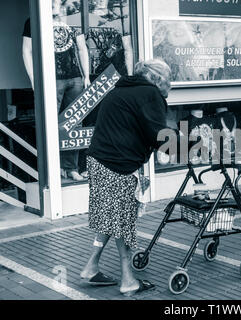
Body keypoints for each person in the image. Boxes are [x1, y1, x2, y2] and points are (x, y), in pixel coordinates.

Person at [80, 59, 172, 296]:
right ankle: (128, 280)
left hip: (99, 161)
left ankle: (91, 266)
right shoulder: (149, 93)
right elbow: (158, 135)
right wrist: (193, 145)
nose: (169, 84)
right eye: (167, 78)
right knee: (123, 221)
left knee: (112, 216)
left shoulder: (120, 91)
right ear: (156, 78)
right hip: (117, 166)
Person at [22, 0, 91, 181]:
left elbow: (83, 48)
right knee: (49, 123)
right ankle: (51, 169)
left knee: (74, 123)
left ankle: (71, 168)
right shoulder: (35, 21)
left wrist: (87, 76)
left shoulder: (72, 20)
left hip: (75, 77)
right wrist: (34, 79)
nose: (56, 4)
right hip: (50, 78)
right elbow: (26, 51)